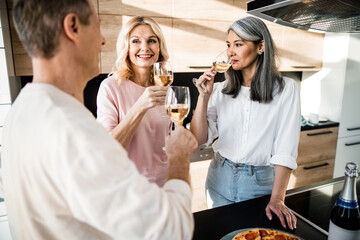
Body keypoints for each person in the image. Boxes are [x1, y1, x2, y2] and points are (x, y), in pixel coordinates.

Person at [1, 0, 197, 239]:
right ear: (73, 26)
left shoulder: (21, 110)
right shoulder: (71, 127)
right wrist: (178, 158)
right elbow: (172, 229)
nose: (103, 40)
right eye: (98, 25)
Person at [190, 16, 300, 230]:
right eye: (228, 45)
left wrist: (278, 198)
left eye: (239, 44)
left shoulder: (286, 89)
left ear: (261, 46)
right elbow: (198, 138)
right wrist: (203, 98)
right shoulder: (220, 90)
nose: (231, 51)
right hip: (218, 178)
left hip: (259, 184)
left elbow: (286, 149)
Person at [96, 16, 170, 187]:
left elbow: (166, 139)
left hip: (164, 184)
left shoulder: (164, 86)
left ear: (159, 47)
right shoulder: (110, 87)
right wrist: (141, 105)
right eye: (136, 41)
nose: (145, 48)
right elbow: (108, 150)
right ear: (126, 47)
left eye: (152, 41)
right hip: (127, 188)